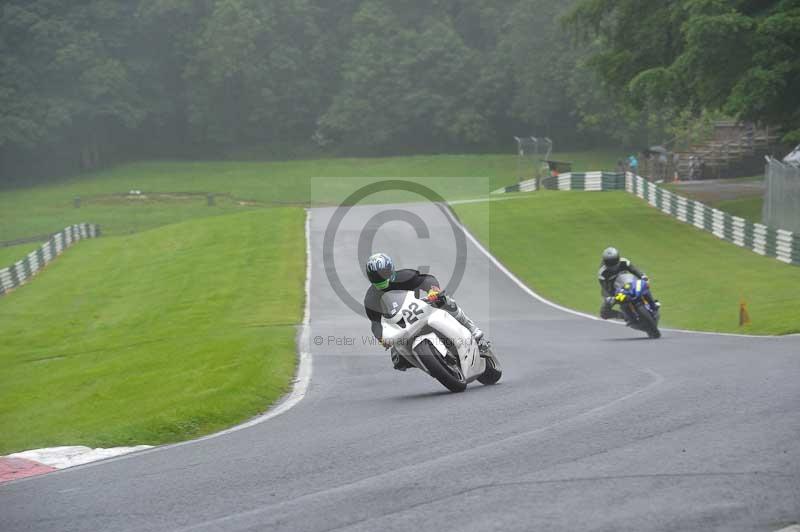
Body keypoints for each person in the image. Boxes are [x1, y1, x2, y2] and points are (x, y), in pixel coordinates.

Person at [363, 253, 490, 371]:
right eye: (376, 276)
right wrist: (381, 338)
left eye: (383, 273)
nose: (380, 277)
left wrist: (433, 291)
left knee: (446, 302)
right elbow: (375, 322)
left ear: (391, 269)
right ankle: (432, 362)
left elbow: (427, 280)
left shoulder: (404, 276)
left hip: (422, 307)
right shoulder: (371, 298)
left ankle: (475, 334)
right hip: (402, 324)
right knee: (398, 359)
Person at [598, 247, 659, 320]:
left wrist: (643, 276)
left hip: (629, 283)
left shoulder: (624, 262)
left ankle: (653, 305)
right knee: (603, 313)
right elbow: (605, 288)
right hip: (616, 291)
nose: (612, 264)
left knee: (644, 284)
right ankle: (623, 315)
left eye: (614, 261)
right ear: (605, 261)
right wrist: (610, 297)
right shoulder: (602, 273)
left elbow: (634, 270)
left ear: (618, 258)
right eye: (609, 262)